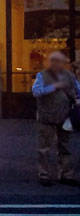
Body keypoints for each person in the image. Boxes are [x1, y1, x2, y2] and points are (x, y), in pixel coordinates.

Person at [31, 51, 80, 187]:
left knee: (65, 147)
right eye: (53, 61)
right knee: (44, 148)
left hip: (65, 116)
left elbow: (77, 90)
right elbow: (36, 91)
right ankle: (44, 174)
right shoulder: (42, 75)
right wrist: (54, 87)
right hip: (46, 116)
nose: (56, 63)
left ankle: (66, 175)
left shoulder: (70, 76)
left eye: (59, 61)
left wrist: (77, 100)